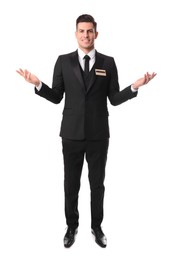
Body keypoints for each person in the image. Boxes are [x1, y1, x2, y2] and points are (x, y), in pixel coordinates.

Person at [17, 14, 156, 248]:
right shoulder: (63, 61)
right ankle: (71, 226)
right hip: (70, 134)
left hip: (98, 135)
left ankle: (97, 227)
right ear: (75, 34)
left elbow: (113, 99)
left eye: (89, 31)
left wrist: (134, 87)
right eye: (81, 31)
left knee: (97, 184)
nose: (85, 35)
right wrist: (38, 84)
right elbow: (56, 97)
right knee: (71, 183)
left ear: (96, 34)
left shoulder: (108, 62)